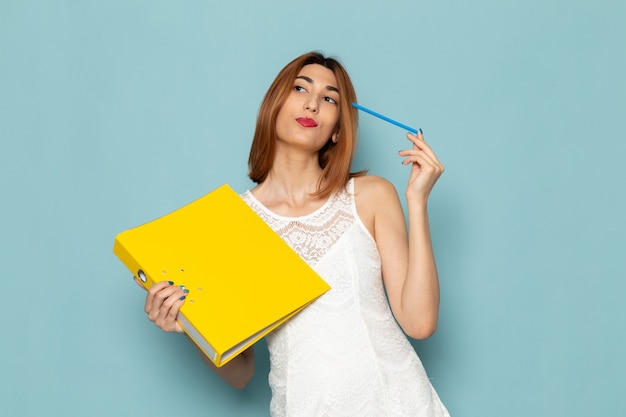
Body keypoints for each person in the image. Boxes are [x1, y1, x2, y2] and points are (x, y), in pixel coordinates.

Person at [136, 51, 450, 416]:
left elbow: (420, 322)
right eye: (300, 88)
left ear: (337, 130)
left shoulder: (371, 195)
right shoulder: (231, 224)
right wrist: (189, 325)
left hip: (398, 403)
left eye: (329, 98)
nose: (312, 103)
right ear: (274, 106)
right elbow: (241, 373)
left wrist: (418, 201)